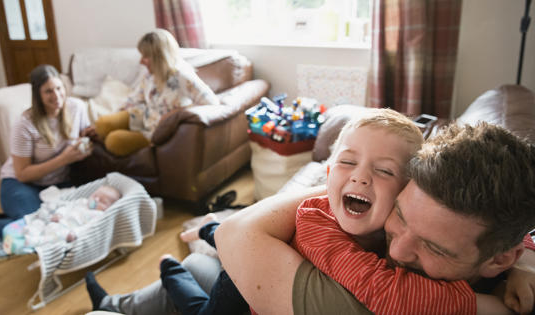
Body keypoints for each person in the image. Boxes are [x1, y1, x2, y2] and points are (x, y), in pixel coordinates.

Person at [215, 122, 535, 315]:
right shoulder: (317, 221)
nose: (394, 253)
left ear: (502, 258)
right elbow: (231, 232)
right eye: (401, 214)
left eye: (434, 248)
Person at [0, 64, 95, 240]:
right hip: (22, 184)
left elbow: (83, 135)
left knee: (69, 220)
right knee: (34, 228)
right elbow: (22, 174)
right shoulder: (25, 124)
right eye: (48, 91)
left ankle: (7, 220)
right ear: (38, 94)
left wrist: (90, 135)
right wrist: (63, 159)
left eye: (59, 88)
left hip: (58, 183)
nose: (57, 96)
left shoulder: (77, 108)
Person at [94, 28, 220, 156]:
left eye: (146, 56)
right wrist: (106, 123)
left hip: (155, 132)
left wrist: (178, 112)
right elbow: (135, 99)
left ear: (160, 56)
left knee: (114, 141)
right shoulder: (151, 74)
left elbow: (212, 103)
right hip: (143, 118)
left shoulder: (182, 75)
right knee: (102, 124)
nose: (141, 61)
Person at [2, 185, 121, 254]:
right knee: (40, 222)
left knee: (56, 237)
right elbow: (67, 207)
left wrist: (75, 233)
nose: (96, 200)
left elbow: (89, 228)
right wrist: (59, 214)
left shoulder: (98, 215)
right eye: (95, 196)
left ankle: (34, 241)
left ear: (109, 208)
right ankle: (30, 231)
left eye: (103, 201)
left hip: (67, 230)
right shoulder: (82, 202)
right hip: (57, 222)